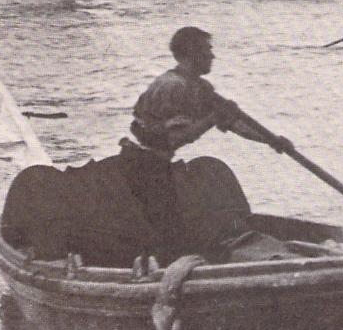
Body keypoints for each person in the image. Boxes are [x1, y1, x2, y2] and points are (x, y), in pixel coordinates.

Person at [121, 26, 292, 265]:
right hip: (142, 165)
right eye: (207, 51)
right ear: (192, 54)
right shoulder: (172, 86)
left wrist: (272, 140)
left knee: (182, 226)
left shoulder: (199, 87)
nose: (212, 56)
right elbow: (175, 138)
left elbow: (234, 123)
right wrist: (213, 119)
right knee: (168, 231)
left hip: (161, 164)